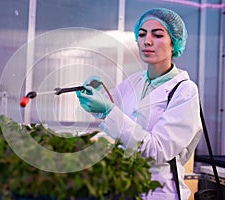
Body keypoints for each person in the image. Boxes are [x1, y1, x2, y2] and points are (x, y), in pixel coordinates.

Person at [76, 8, 203, 200]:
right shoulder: (134, 82)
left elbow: (158, 150)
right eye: (142, 34)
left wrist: (108, 110)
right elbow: (111, 108)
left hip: (159, 192)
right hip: (126, 186)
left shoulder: (185, 91)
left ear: (173, 42)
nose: (147, 41)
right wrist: (94, 96)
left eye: (157, 35)